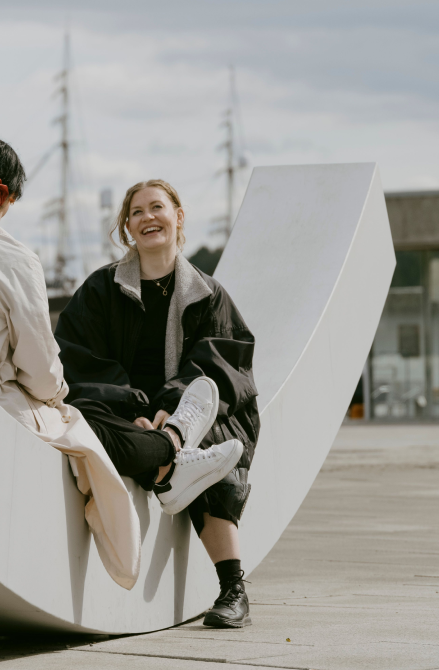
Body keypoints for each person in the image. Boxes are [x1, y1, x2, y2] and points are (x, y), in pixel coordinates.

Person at [0, 136, 229, 590]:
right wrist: (55, 395)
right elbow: (42, 369)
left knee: (84, 414)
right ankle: (171, 454)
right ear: (10, 197)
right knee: (86, 422)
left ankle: (173, 455)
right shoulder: (13, 258)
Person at [55, 179, 257, 629]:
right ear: (127, 228)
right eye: (136, 212)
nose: (147, 217)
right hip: (124, 415)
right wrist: (133, 408)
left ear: (177, 216)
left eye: (157, 207)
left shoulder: (207, 293)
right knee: (86, 418)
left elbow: (223, 363)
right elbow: (74, 356)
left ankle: (233, 589)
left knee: (207, 444)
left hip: (189, 411)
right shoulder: (102, 289)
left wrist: (169, 408)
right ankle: (169, 460)